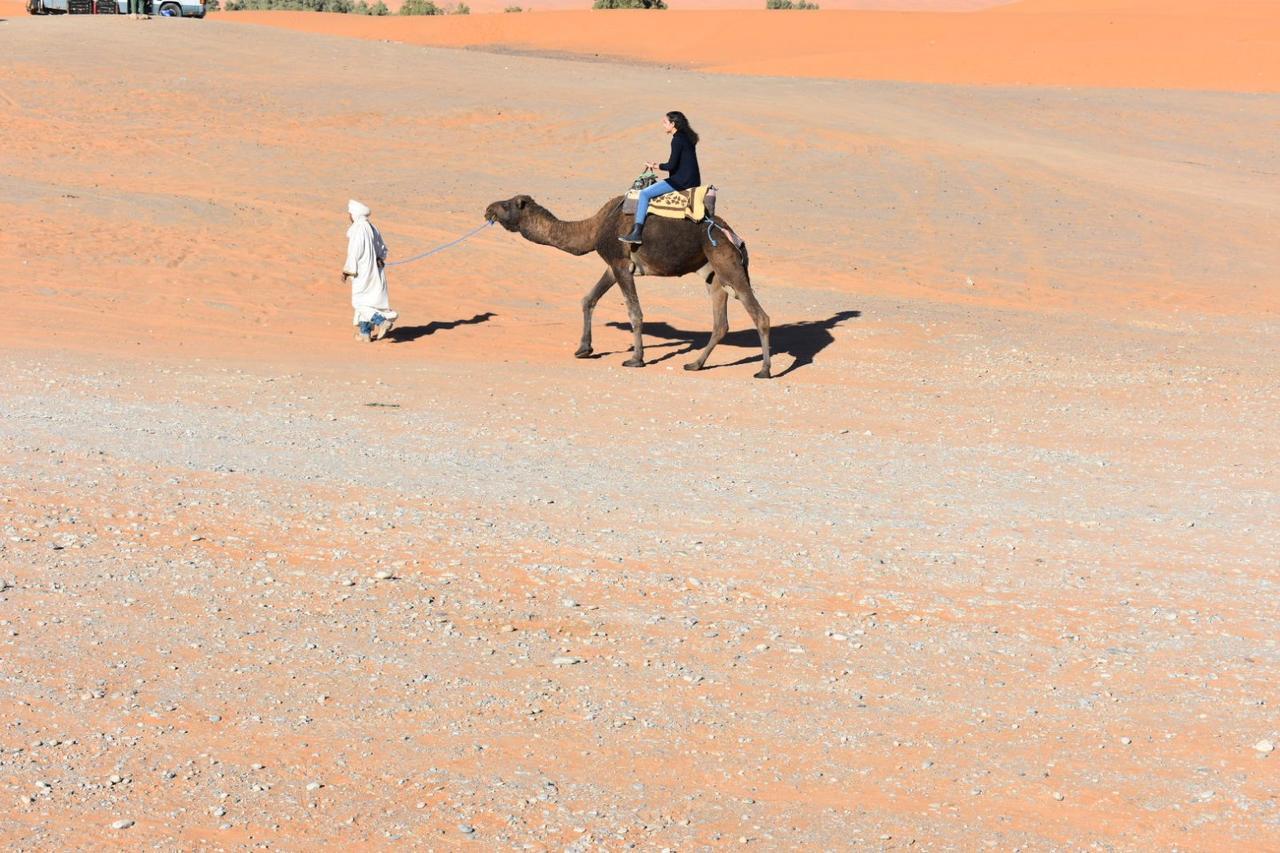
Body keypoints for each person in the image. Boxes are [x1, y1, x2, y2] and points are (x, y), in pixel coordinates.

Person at [620, 111, 701, 246]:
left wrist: (654, 165)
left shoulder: (677, 140)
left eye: (665, 122)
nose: (663, 125)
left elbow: (671, 165)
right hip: (692, 180)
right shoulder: (687, 137)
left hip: (681, 181)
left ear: (673, 124)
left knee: (644, 194)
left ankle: (636, 233)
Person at [342, 199, 398, 342]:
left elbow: (354, 251)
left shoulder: (359, 229)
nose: (349, 216)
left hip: (363, 272)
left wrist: (347, 270)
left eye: (350, 213)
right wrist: (379, 257)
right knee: (369, 302)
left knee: (359, 303)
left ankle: (381, 322)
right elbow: (382, 247)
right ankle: (365, 333)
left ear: (355, 214)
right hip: (375, 271)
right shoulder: (372, 227)